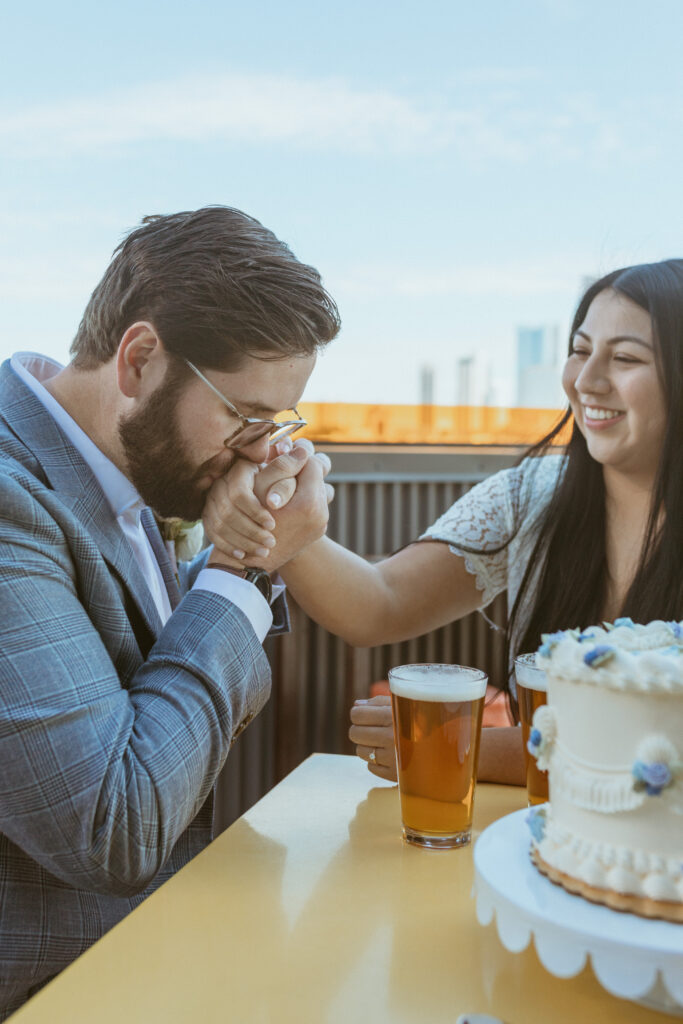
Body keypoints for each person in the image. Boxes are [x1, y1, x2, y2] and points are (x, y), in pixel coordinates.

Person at [0, 206, 338, 1018]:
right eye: (244, 419)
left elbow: (109, 640)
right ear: (141, 359)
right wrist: (241, 571)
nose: (263, 453)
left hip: (150, 949)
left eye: (279, 425)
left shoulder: (107, 462)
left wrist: (228, 569)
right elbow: (109, 827)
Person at [201, 258, 683, 783]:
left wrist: (462, 744)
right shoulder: (529, 495)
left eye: (627, 359)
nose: (587, 381)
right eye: (580, 350)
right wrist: (273, 514)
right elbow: (380, 603)